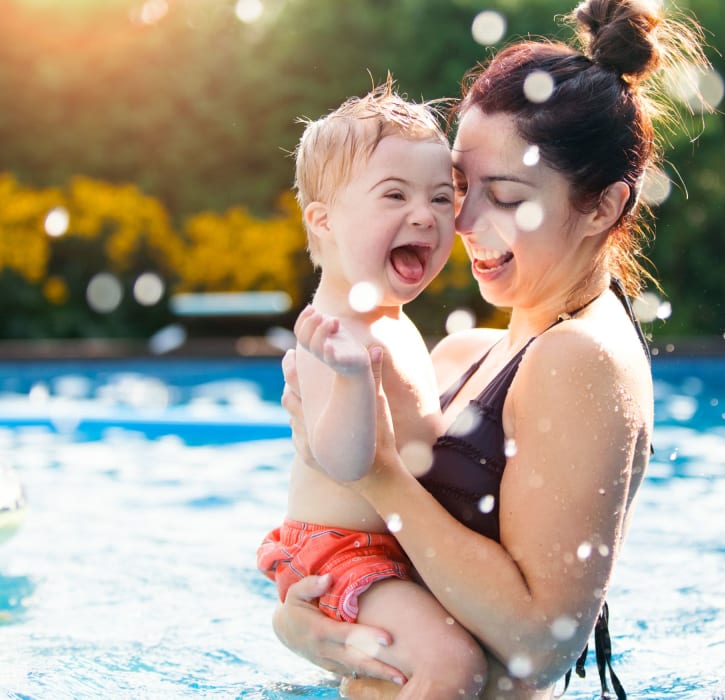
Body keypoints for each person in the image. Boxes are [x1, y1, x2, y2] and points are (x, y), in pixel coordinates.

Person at [274, 0, 709, 697]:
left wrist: (378, 475)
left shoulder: (580, 358)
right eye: (460, 187)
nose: (465, 222)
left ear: (602, 207)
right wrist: (304, 622)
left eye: (504, 195)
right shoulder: (470, 354)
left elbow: (541, 641)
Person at [255, 82, 488, 699]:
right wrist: (355, 378)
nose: (425, 215)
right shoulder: (331, 333)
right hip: (342, 554)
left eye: (443, 198)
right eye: (395, 195)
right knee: (453, 667)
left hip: (391, 546)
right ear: (324, 219)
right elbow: (347, 461)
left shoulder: (387, 317)